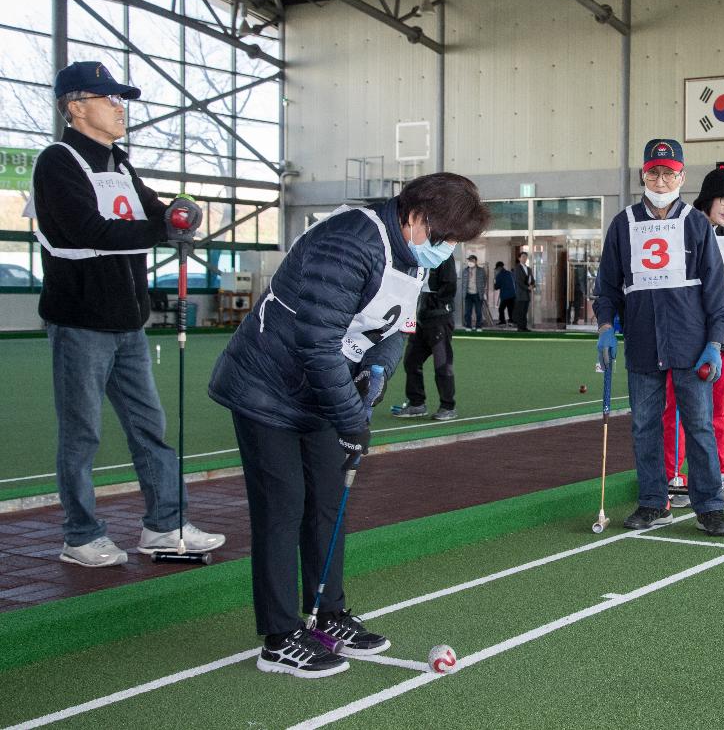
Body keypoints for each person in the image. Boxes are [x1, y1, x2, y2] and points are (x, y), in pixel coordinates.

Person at [209, 173, 488, 678]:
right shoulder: (350, 241)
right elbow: (315, 342)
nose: (446, 249)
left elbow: (393, 331)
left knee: (328, 500)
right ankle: (278, 635)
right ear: (417, 215)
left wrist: (371, 387)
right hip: (267, 386)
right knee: (283, 504)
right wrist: (350, 419)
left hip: (320, 385)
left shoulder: (410, 254)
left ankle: (327, 613)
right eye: (443, 236)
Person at [28, 61, 224, 568]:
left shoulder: (118, 161)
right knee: (82, 432)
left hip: (128, 320)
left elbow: (153, 209)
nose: (119, 108)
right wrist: (164, 228)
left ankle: (165, 524)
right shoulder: (58, 161)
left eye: (120, 99)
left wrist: (178, 212)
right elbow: (88, 230)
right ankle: (80, 535)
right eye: (108, 98)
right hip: (80, 321)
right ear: (76, 107)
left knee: (149, 426)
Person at [594, 138, 724, 536]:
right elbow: (607, 289)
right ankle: (654, 502)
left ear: (681, 176)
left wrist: (714, 342)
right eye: (653, 171)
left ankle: (709, 506)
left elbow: (716, 293)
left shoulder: (697, 224)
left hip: (691, 343)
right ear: (643, 174)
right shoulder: (623, 224)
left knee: (699, 425)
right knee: (644, 427)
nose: (660, 179)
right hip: (641, 342)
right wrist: (606, 328)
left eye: (668, 172)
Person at [664, 166, 724, 508]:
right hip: (689, 342)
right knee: (679, 410)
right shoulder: (685, 232)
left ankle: (717, 476)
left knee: (717, 412)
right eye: (723, 200)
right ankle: (673, 476)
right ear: (707, 199)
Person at [392, 255, 459, 421]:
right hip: (421, 317)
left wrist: (436, 302)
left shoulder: (444, 256)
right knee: (411, 361)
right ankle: (416, 403)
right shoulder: (419, 254)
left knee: (442, 364)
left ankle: (448, 406)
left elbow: (450, 284)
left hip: (439, 318)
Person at [460, 254, 487, 332]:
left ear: (475, 261)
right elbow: (463, 282)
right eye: (469, 260)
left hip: (478, 293)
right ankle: (468, 326)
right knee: (467, 312)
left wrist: (482, 290)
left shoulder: (481, 270)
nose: (470, 262)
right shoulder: (465, 270)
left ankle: (478, 326)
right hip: (467, 294)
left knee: (478, 312)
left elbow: (484, 280)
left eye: (472, 260)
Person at [512, 251, 535, 331]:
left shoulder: (528, 269)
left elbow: (532, 279)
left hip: (527, 294)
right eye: (523, 257)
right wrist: (527, 287)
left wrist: (532, 285)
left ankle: (524, 327)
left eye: (525, 257)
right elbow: (518, 281)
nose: (524, 258)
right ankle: (520, 327)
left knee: (525, 311)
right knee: (520, 311)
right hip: (520, 293)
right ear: (519, 258)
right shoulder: (517, 268)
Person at [493, 260, 516, 326]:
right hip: (513, 294)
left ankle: (502, 321)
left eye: (497, 269)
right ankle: (511, 321)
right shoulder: (510, 273)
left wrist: (495, 281)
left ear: (499, 267)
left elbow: (496, 287)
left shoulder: (499, 275)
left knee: (501, 309)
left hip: (505, 295)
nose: (497, 270)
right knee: (510, 309)